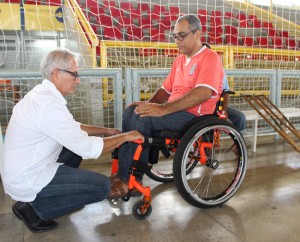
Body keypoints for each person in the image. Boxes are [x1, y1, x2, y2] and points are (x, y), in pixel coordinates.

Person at [0, 49, 144, 233]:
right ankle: (34, 209)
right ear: (55, 73)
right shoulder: (48, 104)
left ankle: (53, 197)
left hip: (23, 168)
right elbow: (88, 148)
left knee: (73, 151)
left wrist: (106, 130)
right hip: (28, 176)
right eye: (74, 75)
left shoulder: (43, 94)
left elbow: (72, 127)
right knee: (101, 187)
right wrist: (125, 136)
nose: (78, 80)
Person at [108, 14, 224, 199]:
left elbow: (203, 92)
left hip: (194, 117)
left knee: (142, 121)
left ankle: (129, 178)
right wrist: (148, 105)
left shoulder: (210, 58)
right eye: (175, 36)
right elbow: (165, 90)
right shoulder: (179, 60)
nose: (177, 41)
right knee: (131, 111)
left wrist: (162, 109)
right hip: (174, 111)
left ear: (197, 34)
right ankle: (125, 172)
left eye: (181, 35)